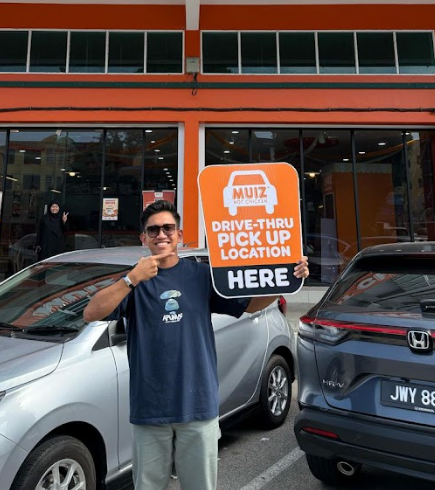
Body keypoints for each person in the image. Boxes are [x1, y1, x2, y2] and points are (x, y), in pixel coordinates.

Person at [83, 199, 309, 490]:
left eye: (168, 228)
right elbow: (91, 313)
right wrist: (131, 279)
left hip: (198, 406)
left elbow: (249, 305)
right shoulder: (134, 281)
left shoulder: (201, 276)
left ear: (179, 235)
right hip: (150, 409)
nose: (161, 234)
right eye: (153, 230)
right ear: (143, 238)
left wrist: (286, 280)